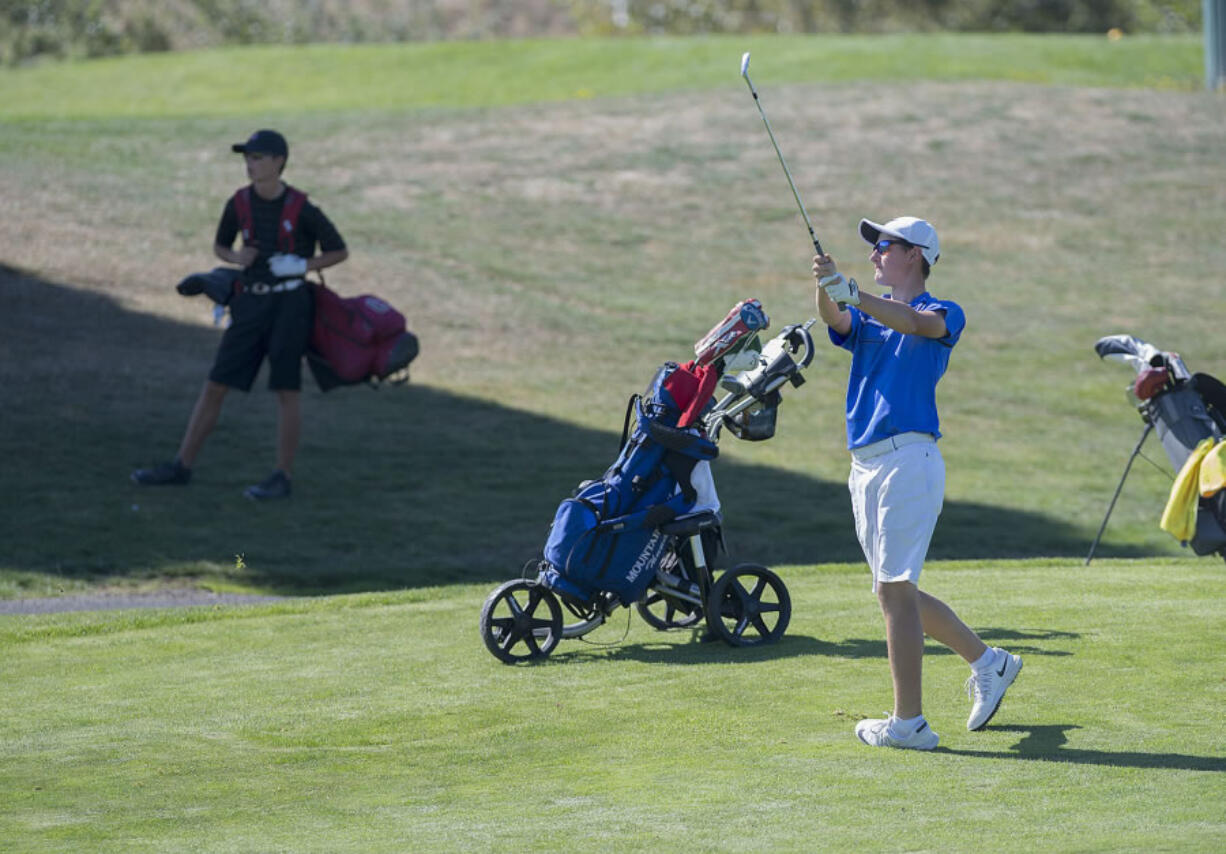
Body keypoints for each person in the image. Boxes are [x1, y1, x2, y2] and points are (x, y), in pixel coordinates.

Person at [813, 216, 1022, 750]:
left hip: (909, 456)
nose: (875, 254)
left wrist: (855, 293)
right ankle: (989, 662)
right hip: (865, 464)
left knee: (894, 591)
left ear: (915, 254)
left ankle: (909, 724)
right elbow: (837, 320)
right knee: (892, 590)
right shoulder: (869, 319)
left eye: (883, 246)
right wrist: (829, 288)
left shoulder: (942, 312)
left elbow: (915, 324)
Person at [132, 129, 349, 500]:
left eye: (258, 157)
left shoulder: (303, 208)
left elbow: (338, 251)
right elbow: (221, 245)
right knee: (216, 383)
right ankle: (181, 466)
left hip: (290, 306)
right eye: (247, 157)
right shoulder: (239, 203)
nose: (250, 164)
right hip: (249, 303)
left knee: (286, 389)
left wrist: (301, 265)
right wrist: (235, 258)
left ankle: (282, 476)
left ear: (279, 162)